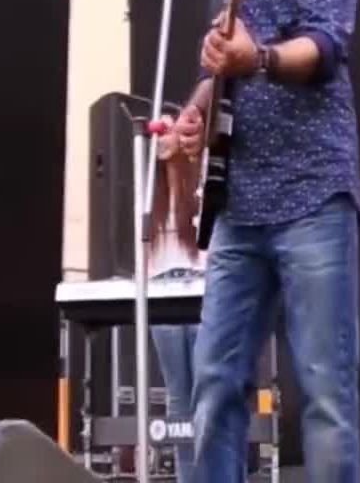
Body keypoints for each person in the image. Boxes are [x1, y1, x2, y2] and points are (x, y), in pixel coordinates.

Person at [173, 0, 360, 483]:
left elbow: (327, 43)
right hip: (240, 201)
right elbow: (230, 57)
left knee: (324, 392)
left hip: (313, 189)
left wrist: (254, 59)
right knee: (213, 384)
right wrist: (199, 104)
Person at [147, 114, 205, 483]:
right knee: (178, 397)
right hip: (162, 296)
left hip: (197, 294)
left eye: (169, 131)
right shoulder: (148, 197)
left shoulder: (196, 188)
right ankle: (187, 478)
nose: (163, 139)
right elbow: (145, 252)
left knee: (205, 392)